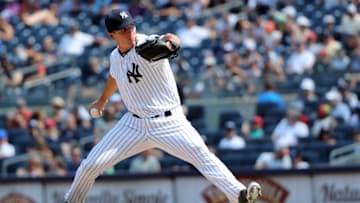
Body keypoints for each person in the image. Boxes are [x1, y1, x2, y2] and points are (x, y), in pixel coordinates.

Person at [64, 9, 261, 203]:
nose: (130, 32)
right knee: (90, 166)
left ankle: (240, 195)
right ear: (111, 35)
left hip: (170, 122)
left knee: (203, 157)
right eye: (123, 30)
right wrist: (102, 100)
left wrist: (172, 42)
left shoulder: (146, 45)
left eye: (131, 26)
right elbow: (115, 75)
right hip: (134, 124)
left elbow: (172, 42)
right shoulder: (115, 57)